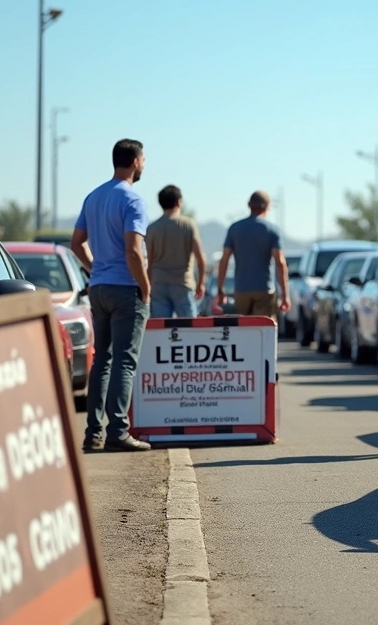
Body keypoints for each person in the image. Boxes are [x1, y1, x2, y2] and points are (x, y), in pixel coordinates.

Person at [70, 139, 153, 452]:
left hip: (100, 288)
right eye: (144, 160)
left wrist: (95, 269)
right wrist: (145, 286)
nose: (144, 165)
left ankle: (94, 433)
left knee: (101, 361)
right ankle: (118, 431)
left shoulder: (94, 197)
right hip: (125, 289)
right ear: (135, 162)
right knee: (124, 362)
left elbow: (76, 242)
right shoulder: (133, 200)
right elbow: (133, 250)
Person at [216, 190, 291, 319]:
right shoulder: (272, 230)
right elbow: (280, 263)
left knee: (243, 328)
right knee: (264, 327)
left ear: (249, 205)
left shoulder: (234, 228)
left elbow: (224, 260)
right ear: (267, 207)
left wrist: (220, 289)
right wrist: (285, 295)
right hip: (265, 290)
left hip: (241, 290)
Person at [145, 184, 206, 318]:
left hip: (159, 283)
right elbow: (200, 258)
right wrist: (201, 283)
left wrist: (148, 284)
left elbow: (149, 260)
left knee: (162, 326)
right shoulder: (188, 225)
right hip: (183, 283)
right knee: (189, 326)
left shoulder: (152, 228)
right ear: (179, 202)